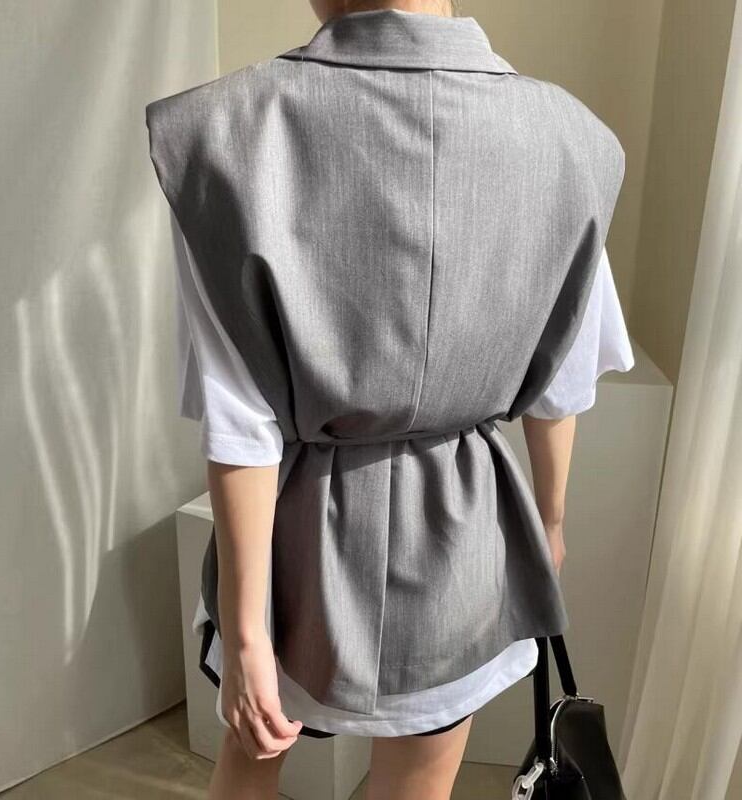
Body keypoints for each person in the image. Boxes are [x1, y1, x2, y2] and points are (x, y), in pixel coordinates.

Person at [145, 2, 634, 798]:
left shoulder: (228, 131)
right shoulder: (571, 140)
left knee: (255, 753)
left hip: (296, 536)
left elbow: (242, 423)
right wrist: (548, 522)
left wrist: (246, 633)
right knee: (419, 781)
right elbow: (562, 382)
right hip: (464, 533)